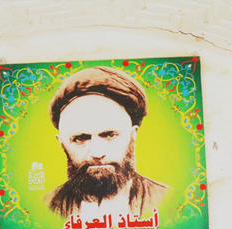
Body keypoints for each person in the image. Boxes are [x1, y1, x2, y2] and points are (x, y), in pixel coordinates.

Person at [45, 66, 169, 219]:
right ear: (62, 143)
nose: (97, 153)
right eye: (80, 139)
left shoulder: (169, 202)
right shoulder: (43, 209)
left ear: (133, 135)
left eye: (109, 135)